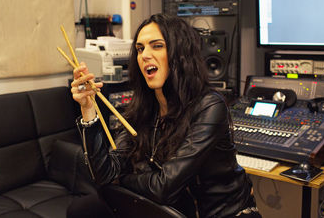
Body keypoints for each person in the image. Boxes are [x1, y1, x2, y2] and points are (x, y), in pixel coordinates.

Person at [68, 14, 261, 218]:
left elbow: (164, 187)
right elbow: (105, 173)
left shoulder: (209, 106)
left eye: (157, 46)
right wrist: (88, 109)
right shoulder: (143, 108)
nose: (144, 55)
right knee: (82, 210)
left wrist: (121, 179)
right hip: (175, 210)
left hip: (222, 214)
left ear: (180, 53)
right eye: (140, 49)